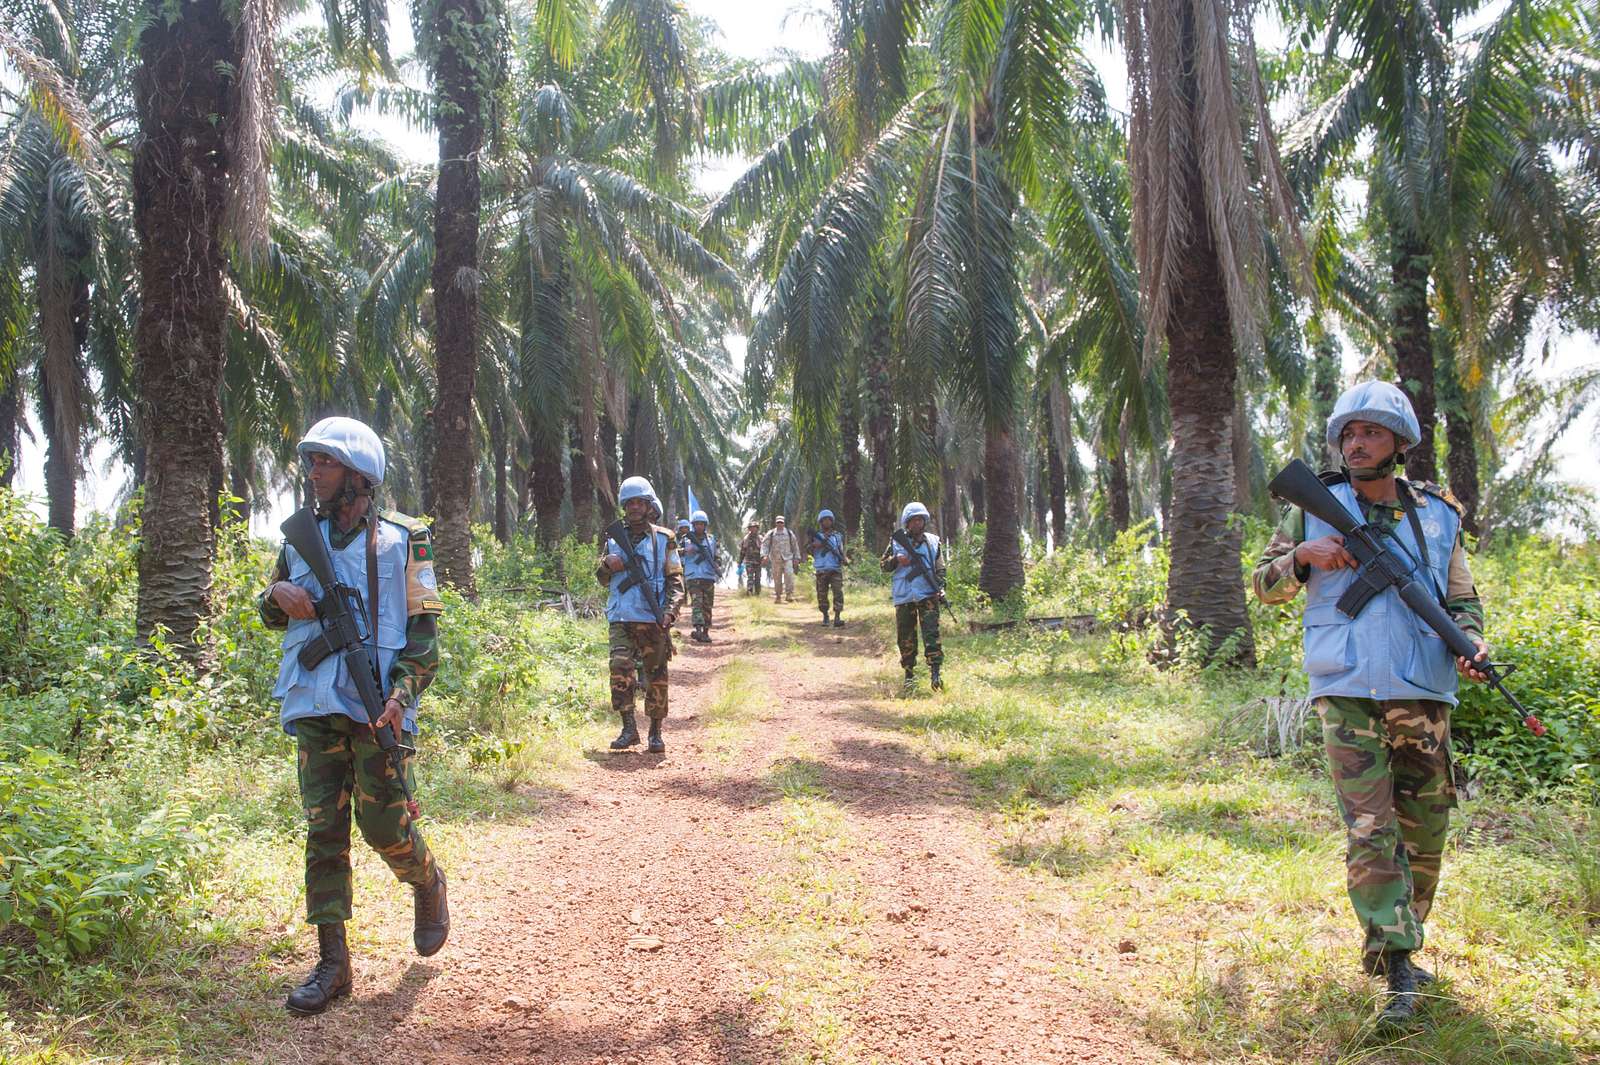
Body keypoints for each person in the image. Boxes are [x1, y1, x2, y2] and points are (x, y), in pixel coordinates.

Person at [1253, 380, 1490, 1027]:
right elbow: (1262, 583)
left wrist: (1471, 641)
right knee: (1370, 827)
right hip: (1349, 689)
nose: (1355, 443)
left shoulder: (1439, 515)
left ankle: (1395, 944)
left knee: (1425, 833)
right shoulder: (1314, 505)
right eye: (1348, 434)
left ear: (1399, 443)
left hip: (1424, 689)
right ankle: (1398, 964)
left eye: (1371, 432)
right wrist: (1303, 555)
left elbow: (1462, 600)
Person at [260, 417, 449, 1016]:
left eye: (326, 463)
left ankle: (426, 881)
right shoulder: (296, 537)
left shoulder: (405, 539)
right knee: (324, 830)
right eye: (311, 462)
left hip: (377, 708)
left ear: (358, 476)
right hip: (314, 700)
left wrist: (400, 695)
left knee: (385, 828)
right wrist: (276, 597)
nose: (314, 473)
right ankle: (333, 964)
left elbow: (424, 634)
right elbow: (273, 611)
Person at [597, 476, 685, 754]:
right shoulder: (613, 537)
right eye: (629, 502)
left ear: (648, 506)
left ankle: (655, 734)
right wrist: (608, 565)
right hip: (621, 616)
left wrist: (670, 613)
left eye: (639, 502)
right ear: (624, 505)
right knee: (620, 670)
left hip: (652, 617)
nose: (634, 507)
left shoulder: (664, 538)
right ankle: (628, 729)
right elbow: (600, 578)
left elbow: (676, 581)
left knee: (656, 675)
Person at [879, 501, 946, 692]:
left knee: (932, 634)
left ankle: (935, 673)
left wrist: (941, 588)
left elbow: (940, 568)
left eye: (920, 520)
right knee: (906, 637)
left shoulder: (933, 541)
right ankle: (909, 675)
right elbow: (883, 566)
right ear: (906, 523)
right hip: (905, 595)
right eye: (913, 520)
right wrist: (896, 560)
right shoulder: (896, 541)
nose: (917, 523)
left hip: (928, 594)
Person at [682, 509, 720, 643]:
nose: (699, 526)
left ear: (705, 525)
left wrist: (717, 565)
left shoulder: (711, 540)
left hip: (708, 576)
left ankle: (705, 632)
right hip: (693, 576)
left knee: (707, 605)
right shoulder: (686, 539)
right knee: (697, 603)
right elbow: (675, 553)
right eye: (697, 524)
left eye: (701, 524)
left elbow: (717, 556)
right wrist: (685, 550)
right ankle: (697, 630)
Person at [809, 508, 849, 626]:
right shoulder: (816, 536)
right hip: (821, 569)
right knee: (822, 595)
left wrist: (844, 559)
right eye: (824, 520)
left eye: (829, 520)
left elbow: (841, 550)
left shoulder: (837, 536)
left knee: (838, 593)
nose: (827, 522)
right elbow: (808, 549)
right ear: (820, 522)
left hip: (835, 568)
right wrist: (817, 545)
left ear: (832, 521)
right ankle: (825, 616)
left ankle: (837, 617)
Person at [762, 515, 801, 603]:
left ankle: (789, 595)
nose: (780, 524)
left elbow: (795, 546)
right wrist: (764, 555)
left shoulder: (789, 533)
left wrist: (797, 557)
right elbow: (765, 545)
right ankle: (778, 596)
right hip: (776, 559)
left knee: (789, 575)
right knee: (777, 578)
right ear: (776, 523)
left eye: (781, 522)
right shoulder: (771, 533)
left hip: (787, 558)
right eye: (778, 522)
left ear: (784, 523)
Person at [739, 519, 763, 596]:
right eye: (751, 527)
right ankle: (749, 592)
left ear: (757, 528)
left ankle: (757, 593)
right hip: (749, 561)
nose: (753, 529)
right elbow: (743, 551)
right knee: (750, 577)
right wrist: (740, 561)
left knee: (758, 578)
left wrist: (764, 559)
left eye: (755, 527)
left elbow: (764, 550)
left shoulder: (760, 538)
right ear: (749, 529)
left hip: (758, 562)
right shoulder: (746, 539)